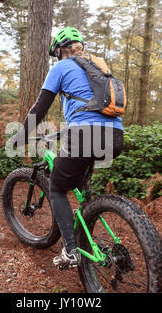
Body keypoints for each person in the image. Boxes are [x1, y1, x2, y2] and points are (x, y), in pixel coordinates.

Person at [12, 27, 124, 269]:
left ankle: (71, 251)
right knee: (81, 181)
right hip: (115, 136)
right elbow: (95, 111)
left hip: (85, 134)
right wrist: (66, 130)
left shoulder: (61, 67)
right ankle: (88, 214)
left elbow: (39, 109)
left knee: (57, 188)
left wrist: (21, 136)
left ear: (60, 51)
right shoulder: (99, 68)